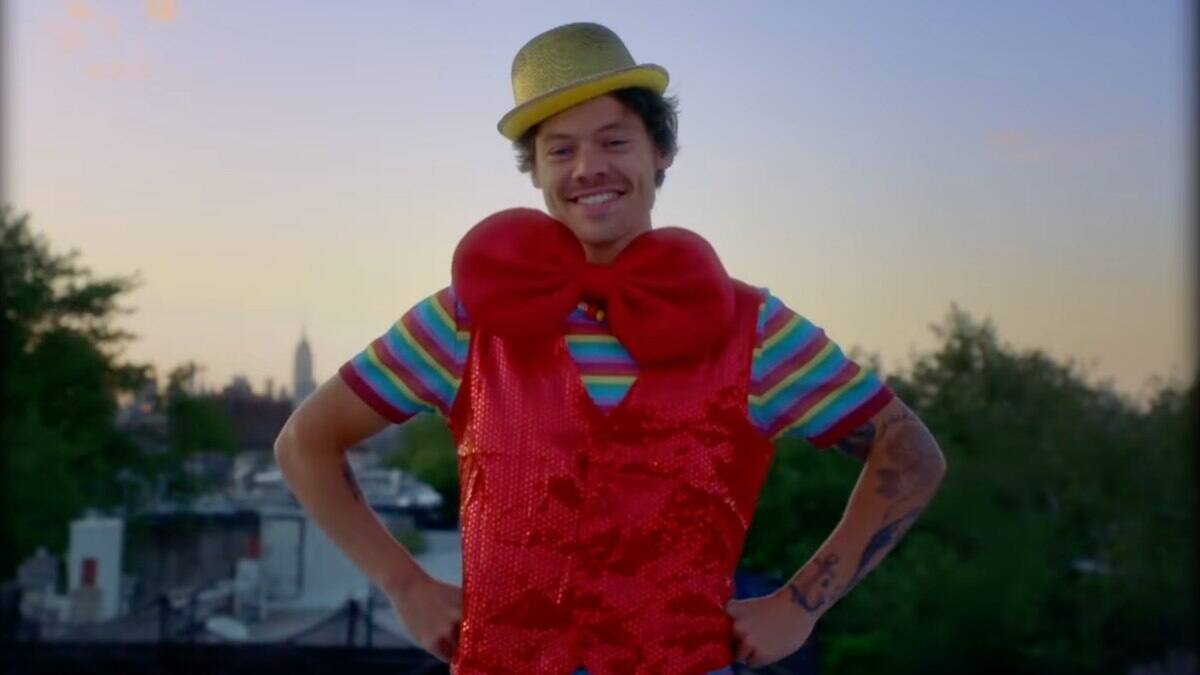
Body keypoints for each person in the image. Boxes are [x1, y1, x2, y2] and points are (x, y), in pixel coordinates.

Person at [274, 22, 947, 675]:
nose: (588, 167)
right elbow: (305, 442)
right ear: (536, 172)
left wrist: (801, 602)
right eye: (560, 150)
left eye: (614, 140)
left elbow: (911, 452)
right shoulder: (467, 320)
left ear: (662, 151)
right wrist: (405, 584)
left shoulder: (755, 327)